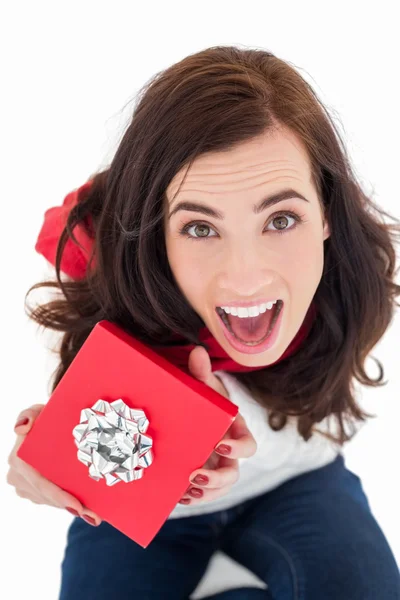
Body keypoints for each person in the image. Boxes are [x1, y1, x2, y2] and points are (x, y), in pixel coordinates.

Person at [7, 45, 400, 599]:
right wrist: (45, 456)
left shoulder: (352, 280)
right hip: (141, 512)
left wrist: (226, 417)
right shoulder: (94, 277)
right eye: (198, 228)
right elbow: (66, 442)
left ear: (329, 213)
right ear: (153, 231)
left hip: (295, 480)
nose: (244, 278)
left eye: (281, 219)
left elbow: (336, 418)